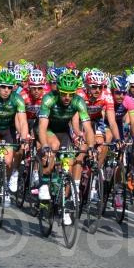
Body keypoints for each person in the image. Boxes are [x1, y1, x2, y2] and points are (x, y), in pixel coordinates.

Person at [37, 72, 95, 225]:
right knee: (53, 147)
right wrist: (45, 145)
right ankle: (44, 183)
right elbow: (42, 127)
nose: (67, 97)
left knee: (67, 167)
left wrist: (91, 146)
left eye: (71, 94)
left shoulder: (79, 101)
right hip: (48, 129)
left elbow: (88, 128)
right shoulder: (49, 99)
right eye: (64, 93)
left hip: (63, 132)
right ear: (58, 90)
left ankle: (64, 205)